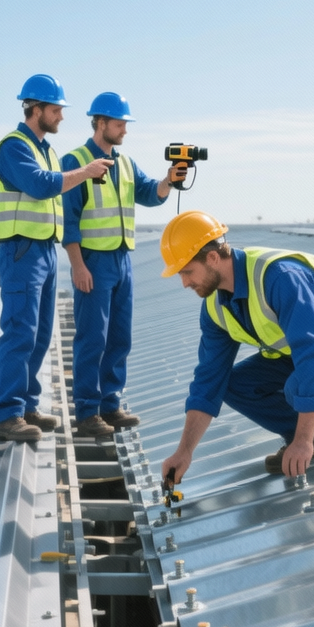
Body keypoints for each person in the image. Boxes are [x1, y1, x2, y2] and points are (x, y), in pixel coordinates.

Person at [156, 211, 314, 484]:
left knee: (300, 386)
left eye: (187, 271)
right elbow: (209, 381)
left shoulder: (280, 277)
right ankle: (311, 431)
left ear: (212, 258)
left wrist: (302, 443)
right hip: (306, 353)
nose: (185, 282)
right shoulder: (215, 308)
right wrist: (184, 453)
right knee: (231, 385)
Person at [0, 74, 114, 442]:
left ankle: (26, 406)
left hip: (44, 249)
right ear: (36, 109)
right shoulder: (14, 147)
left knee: (41, 334)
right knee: (19, 332)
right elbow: (42, 186)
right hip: (21, 250)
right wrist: (87, 171)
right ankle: (7, 414)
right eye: (56, 109)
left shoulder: (46, 150)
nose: (61, 116)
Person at [59, 92, 186, 438]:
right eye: (119, 124)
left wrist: (169, 180)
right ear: (101, 124)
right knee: (92, 338)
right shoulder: (77, 160)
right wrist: (77, 265)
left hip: (121, 260)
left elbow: (149, 193)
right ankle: (87, 412)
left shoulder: (126, 163)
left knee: (119, 336)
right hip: (92, 262)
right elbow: (67, 219)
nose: (124, 131)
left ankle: (110, 405)